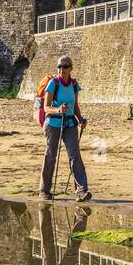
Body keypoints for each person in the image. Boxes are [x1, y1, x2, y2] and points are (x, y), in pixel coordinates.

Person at [39, 55, 92, 201]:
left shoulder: (74, 85)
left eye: (65, 66)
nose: (62, 69)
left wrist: (80, 119)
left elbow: (75, 106)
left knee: (75, 156)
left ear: (71, 69)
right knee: (50, 156)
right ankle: (44, 190)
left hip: (70, 124)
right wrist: (58, 110)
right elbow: (46, 107)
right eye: (59, 66)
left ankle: (81, 191)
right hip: (53, 124)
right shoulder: (53, 84)